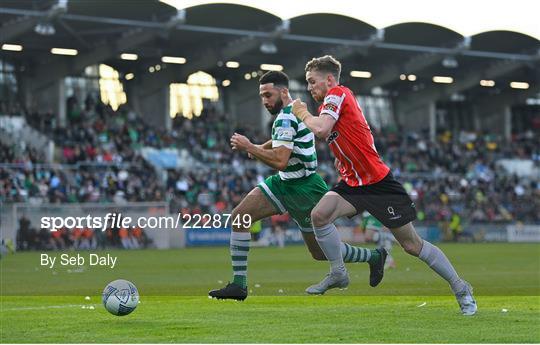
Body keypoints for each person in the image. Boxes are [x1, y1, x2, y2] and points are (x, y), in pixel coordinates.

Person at [290, 55, 477, 315]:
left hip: (379, 185)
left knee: (412, 246)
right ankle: (338, 273)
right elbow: (352, 135)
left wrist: (301, 113)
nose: (310, 88)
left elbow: (321, 130)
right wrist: (342, 160)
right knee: (319, 215)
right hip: (353, 184)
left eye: (312, 81)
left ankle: (461, 288)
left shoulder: (337, 93)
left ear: (330, 79)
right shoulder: (333, 104)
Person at [209, 70, 386, 301]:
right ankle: (239, 285)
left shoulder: (285, 117)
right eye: (262, 96)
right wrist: (262, 145)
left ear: (283, 91)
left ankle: (373, 257)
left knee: (319, 253)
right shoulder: (293, 111)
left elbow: (281, 161)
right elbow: (285, 138)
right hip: (284, 184)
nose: (264, 101)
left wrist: (251, 147)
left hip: (304, 188)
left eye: (268, 95)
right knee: (239, 217)